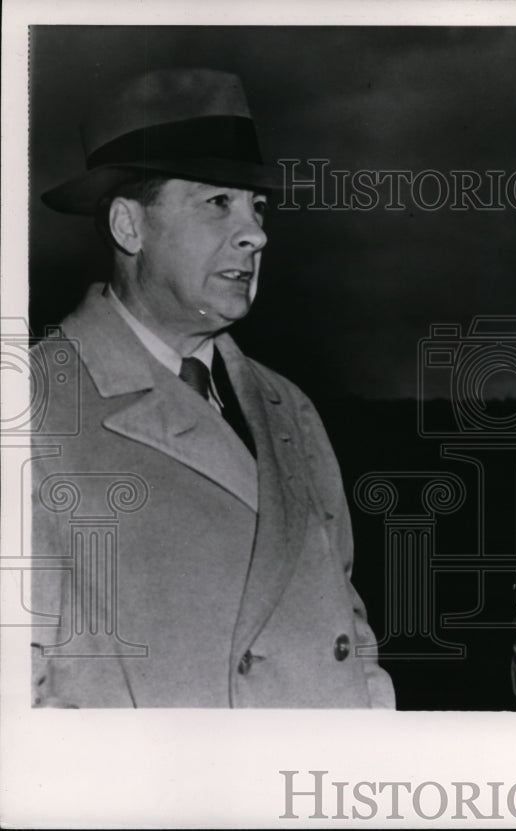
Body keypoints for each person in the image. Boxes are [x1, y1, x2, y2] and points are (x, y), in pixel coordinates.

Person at [30, 68, 394, 708]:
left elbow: (347, 625)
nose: (255, 231)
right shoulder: (32, 408)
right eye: (217, 202)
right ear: (129, 227)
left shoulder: (290, 408)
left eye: (257, 206)